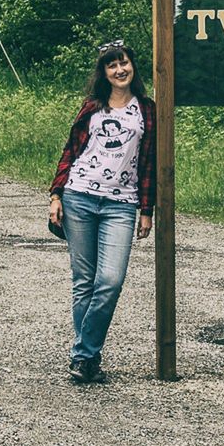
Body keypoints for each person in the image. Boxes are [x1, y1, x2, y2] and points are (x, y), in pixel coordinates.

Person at [49, 38, 156, 384]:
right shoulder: (92, 107)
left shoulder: (147, 110)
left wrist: (146, 208)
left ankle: (82, 352)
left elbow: (149, 163)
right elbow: (71, 149)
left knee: (109, 281)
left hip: (121, 204)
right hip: (78, 196)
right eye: (112, 65)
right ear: (104, 72)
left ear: (133, 67)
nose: (119, 69)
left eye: (124, 63)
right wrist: (56, 194)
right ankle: (86, 359)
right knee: (84, 282)